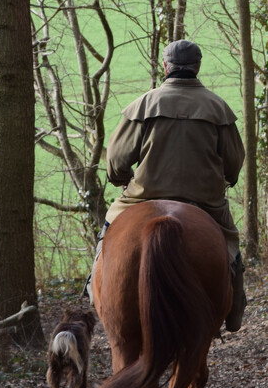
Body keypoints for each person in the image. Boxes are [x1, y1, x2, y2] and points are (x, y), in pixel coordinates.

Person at [84, 39, 247, 331]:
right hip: (205, 202)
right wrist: (222, 179)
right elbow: (234, 164)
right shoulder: (218, 108)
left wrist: (122, 179)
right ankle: (235, 309)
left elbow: (117, 162)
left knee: (109, 230)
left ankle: (92, 287)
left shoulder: (143, 105)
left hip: (143, 198)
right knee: (230, 242)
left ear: (165, 66)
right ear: (197, 67)